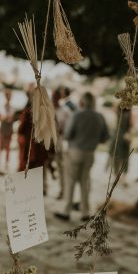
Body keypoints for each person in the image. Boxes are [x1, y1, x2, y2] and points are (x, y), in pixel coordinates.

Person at [55, 91, 109, 221]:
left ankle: (66, 211)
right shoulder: (99, 116)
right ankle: (85, 212)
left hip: (75, 151)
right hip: (90, 153)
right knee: (85, 182)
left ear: (82, 102)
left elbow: (67, 135)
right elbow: (104, 138)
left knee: (71, 181)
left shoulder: (77, 115)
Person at [17, 90, 49, 191]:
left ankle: (32, 189)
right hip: (42, 146)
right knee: (40, 167)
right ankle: (41, 188)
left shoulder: (28, 112)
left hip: (32, 146)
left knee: (30, 166)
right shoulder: (48, 112)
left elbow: (20, 130)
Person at [108, 104, 132, 183]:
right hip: (123, 136)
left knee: (118, 157)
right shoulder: (128, 113)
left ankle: (117, 176)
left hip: (119, 136)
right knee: (123, 157)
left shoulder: (120, 113)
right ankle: (121, 177)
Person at [0, 88, 16, 173]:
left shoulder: (13, 107)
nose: (8, 97)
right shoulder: (2, 106)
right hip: (2, 128)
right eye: (7, 95)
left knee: (8, 147)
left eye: (9, 95)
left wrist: (10, 118)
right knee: (1, 146)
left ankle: (6, 164)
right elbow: (1, 117)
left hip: (9, 128)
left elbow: (13, 118)